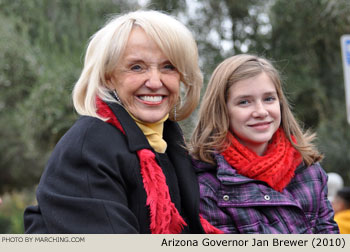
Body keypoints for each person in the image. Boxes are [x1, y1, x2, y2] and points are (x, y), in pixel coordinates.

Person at [24, 10, 221, 234]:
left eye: (169, 67)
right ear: (108, 77)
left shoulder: (171, 144)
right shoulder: (88, 149)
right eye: (137, 67)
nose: (155, 82)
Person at [190, 54, 339, 233]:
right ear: (221, 111)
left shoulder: (310, 170)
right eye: (244, 102)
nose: (261, 111)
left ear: (280, 103)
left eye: (269, 99)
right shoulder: (206, 185)